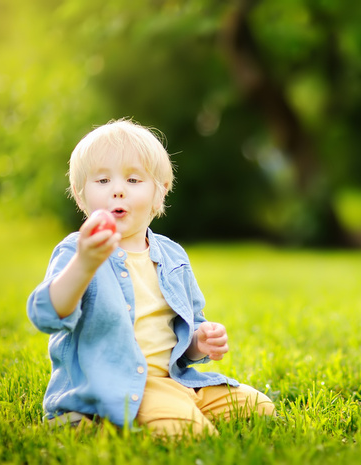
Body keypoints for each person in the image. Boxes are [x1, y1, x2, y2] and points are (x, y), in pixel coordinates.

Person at [27, 118, 275, 436]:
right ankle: (84, 417)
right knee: (192, 433)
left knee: (261, 409)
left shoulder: (172, 256)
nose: (117, 190)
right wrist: (84, 264)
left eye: (133, 180)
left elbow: (185, 333)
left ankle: (162, 411)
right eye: (102, 181)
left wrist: (200, 342)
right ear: (80, 194)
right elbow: (45, 315)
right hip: (122, 387)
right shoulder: (78, 252)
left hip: (175, 380)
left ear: (159, 193)